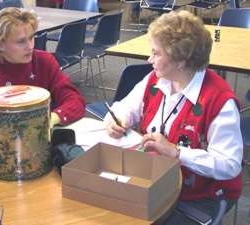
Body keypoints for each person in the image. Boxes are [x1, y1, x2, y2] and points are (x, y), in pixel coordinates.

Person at [104, 10, 243, 224]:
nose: (149, 59)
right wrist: (118, 119)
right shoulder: (157, 78)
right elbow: (126, 107)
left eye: (156, 53)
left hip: (202, 194)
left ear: (181, 60)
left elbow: (229, 165)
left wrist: (176, 152)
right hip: (157, 178)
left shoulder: (219, 100)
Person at [0, 7, 85, 138]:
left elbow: (75, 100)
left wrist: (50, 120)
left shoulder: (45, 62)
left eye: (31, 38)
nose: (30, 46)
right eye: (21, 42)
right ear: (1, 44)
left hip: (39, 141)